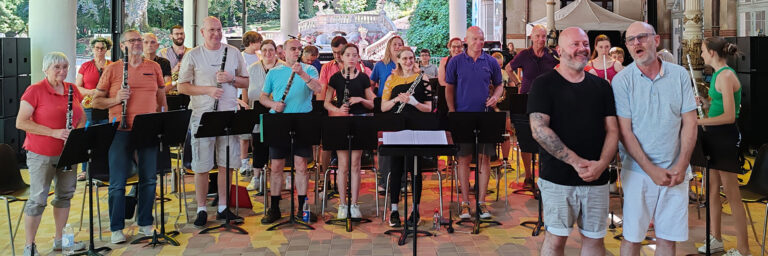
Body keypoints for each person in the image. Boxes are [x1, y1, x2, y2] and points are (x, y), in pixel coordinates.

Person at [527, 27, 618, 256]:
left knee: (595, 241)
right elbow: (539, 130)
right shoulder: (543, 84)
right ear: (559, 50)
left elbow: (613, 130)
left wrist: (601, 165)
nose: (582, 49)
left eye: (585, 44)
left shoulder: (601, 87)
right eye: (575, 44)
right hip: (558, 178)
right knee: (555, 241)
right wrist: (577, 162)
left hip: (596, 178)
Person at [613, 22, 698, 256]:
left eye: (641, 37)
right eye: (630, 40)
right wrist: (651, 170)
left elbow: (690, 123)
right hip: (638, 171)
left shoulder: (679, 75)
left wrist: (681, 165)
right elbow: (625, 132)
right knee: (632, 238)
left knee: (668, 240)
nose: (636, 43)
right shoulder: (622, 81)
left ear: (656, 40)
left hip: (675, 171)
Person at [91, 29, 168, 244]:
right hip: (119, 130)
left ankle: (145, 221)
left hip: (148, 128)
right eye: (132, 40)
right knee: (117, 181)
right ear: (123, 45)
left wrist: (164, 121)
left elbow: (161, 95)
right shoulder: (113, 69)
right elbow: (96, 102)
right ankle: (116, 227)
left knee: (149, 179)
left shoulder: (154, 67)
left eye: (139, 40)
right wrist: (116, 99)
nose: (137, 43)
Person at [177, 17, 250, 227]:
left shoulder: (233, 53)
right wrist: (208, 90)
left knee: (226, 163)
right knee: (202, 165)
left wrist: (231, 79)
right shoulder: (193, 55)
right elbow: (182, 87)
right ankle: (201, 208)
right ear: (202, 32)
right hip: (202, 115)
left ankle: (222, 207)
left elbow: (245, 81)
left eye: (219, 30)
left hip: (228, 114)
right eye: (211, 30)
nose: (216, 34)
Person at [17, 52, 87, 256]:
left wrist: (76, 134)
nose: (62, 71)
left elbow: (81, 116)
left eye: (65, 67)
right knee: (38, 198)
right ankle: (29, 246)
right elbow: (21, 122)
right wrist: (54, 132)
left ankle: (61, 241)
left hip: (68, 152)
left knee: (64, 195)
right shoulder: (34, 90)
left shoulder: (72, 89)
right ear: (45, 69)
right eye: (57, 67)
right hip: (42, 152)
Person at [696, 37, 750, 256]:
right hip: (714, 136)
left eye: (702, 51)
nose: (700, 55)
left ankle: (744, 249)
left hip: (725, 137)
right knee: (712, 191)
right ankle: (716, 238)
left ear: (712, 52)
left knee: (732, 194)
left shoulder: (726, 75)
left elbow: (729, 116)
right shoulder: (718, 75)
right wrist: (704, 103)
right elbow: (718, 108)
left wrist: (699, 121)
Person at [259, 39, 321, 224]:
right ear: (283, 52)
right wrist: (273, 104)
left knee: (301, 165)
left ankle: (303, 206)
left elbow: (318, 89)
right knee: (276, 166)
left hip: (302, 120)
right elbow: (263, 97)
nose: (296, 52)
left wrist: (302, 74)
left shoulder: (309, 69)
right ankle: (275, 207)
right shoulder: (274, 72)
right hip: (279, 121)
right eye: (292, 49)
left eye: (299, 49)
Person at [445, 26, 504, 220]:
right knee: (463, 159)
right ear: (466, 40)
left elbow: (499, 84)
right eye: (475, 39)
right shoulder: (456, 62)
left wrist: (496, 96)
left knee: (484, 159)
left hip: (485, 116)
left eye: (482, 39)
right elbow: (449, 88)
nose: (479, 43)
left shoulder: (491, 62)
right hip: (462, 116)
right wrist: (452, 113)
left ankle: (481, 202)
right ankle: (464, 202)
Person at [381, 47, 433, 226]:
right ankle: (394, 210)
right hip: (396, 128)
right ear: (399, 60)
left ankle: (415, 210)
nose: (409, 62)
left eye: (411, 58)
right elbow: (383, 107)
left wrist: (414, 102)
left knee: (415, 170)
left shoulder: (423, 78)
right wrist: (397, 100)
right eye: (405, 59)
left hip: (417, 128)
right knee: (395, 170)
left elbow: (429, 108)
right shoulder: (391, 79)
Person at [323, 43, 376, 219]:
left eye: (355, 55)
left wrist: (360, 98)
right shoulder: (336, 78)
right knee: (342, 166)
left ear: (358, 57)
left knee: (355, 164)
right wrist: (338, 111)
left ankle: (354, 204)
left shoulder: (363, 78)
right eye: (348, 55)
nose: (352, 58)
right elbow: (326, 102)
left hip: (359, 121)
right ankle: (342, 204)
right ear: (342, 57)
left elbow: (372, 103)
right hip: (341, 122)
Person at [505, 24, 559, 190]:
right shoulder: (524, 54)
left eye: (543, 36)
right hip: (527, 99)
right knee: (526, 139)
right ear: (531, 37)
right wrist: (518, 82)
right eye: (537, 36)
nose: (541, 40)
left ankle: (546, 175)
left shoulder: (552, 54)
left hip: (548, 100)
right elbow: (508, 68)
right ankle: (528, 175)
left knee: (547, 137)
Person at [244, 39, 284, 192]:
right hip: (257, 109)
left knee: (277, 145)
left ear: (275, 51)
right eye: (265, 50)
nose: (268, 53)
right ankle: (256, 177)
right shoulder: (252, 68)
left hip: (277, 110)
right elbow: (246, 89)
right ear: (260, 51)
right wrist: (245, 104)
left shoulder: (283, 67)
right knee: (258, 144)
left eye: (271, 50)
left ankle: (279, 176)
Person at [75, 37, 112, 181]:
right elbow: (78, 86)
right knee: (87, 138)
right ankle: (85, 170)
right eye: (97, 48)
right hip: (89, 106)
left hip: (106, 106)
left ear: (106, 49)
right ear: (92, 49)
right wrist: (92, 92)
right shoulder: (85, 66)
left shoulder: (112, 65)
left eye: (102, 48)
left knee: (104, 138)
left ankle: (102, 169)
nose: (99, 51)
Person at [238, 30, 263, 180]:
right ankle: (244, 161)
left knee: (256, 133)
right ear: (252, 42)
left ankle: (256, 161)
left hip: (257, 96)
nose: (260, 44)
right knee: (244, 134)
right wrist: (244, 101)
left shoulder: (258, 56)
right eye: (259, 42)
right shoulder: (242, 57)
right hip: (244, 96)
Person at [158, 25, 190, 92]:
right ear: (171, 36)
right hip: (169, 93)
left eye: (181, 33)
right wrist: (174, 70)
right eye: (176, 34)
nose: (179, 36)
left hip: (187, 91)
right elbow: (158, 77)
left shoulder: (191, 52)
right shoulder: (162, 53)